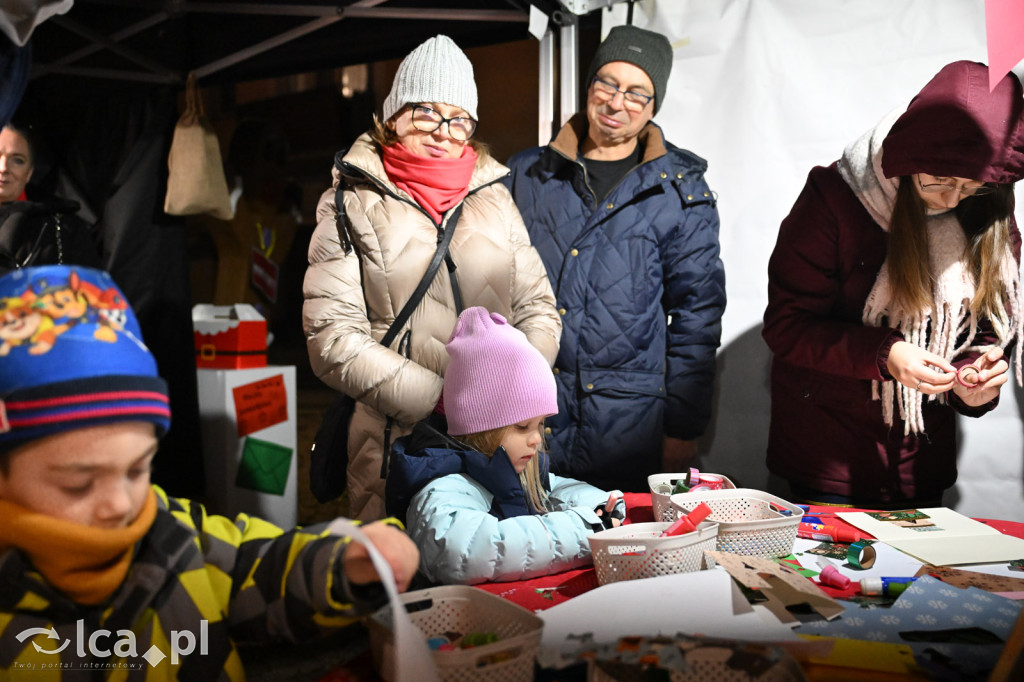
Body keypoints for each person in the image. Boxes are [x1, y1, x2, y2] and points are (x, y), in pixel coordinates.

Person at [0, 265, 420, 677]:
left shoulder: (172, 533)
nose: (121, 505)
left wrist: (341, 562)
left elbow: (252, 568)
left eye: (137, 469)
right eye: (78, 484)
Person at [303, 35, 561, 521]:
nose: (443, 131)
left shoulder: (495, 199)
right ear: (393, 116)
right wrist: (448, 399)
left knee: (499, 560)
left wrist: (512, 391)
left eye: (459, 118)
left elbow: (539, 308)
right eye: (426, 112)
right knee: (406, 565)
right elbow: (331, 338)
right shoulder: (349, 200)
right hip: (397, 447)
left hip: (498, 447)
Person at [762, 61, 1024, 509]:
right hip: (827, 456)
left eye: (971, 186)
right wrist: (886, 354)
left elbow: (991, 324)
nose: (951, 198)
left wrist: (974, 375)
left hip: (920, 460)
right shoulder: (836, 198)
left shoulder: (988, 209)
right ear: (908, 159)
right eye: (938, 180)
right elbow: (788, 326)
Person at [504, 25, 726, 493]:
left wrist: (683, 431)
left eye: (636, 92)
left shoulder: (680, 190)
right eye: (607, 83)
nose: (616, 101)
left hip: (628, 430)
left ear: (653, 105)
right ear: (590, 85)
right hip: (528, 416)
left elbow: (697, 317)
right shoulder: (526, 174)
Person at [385, 306, 624, 585]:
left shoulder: (513, 466)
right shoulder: (443, 483)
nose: (536, 438)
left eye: (540, 425)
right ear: (480, 427)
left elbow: (561, 490)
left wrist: (601, 509)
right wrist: (588, 529)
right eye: (522, 426)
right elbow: (463, 551)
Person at [0, 119, 102, 275]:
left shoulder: (64, 228)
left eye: (17, 160)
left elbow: (88, 285)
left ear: (29, 173)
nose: (3, 168)